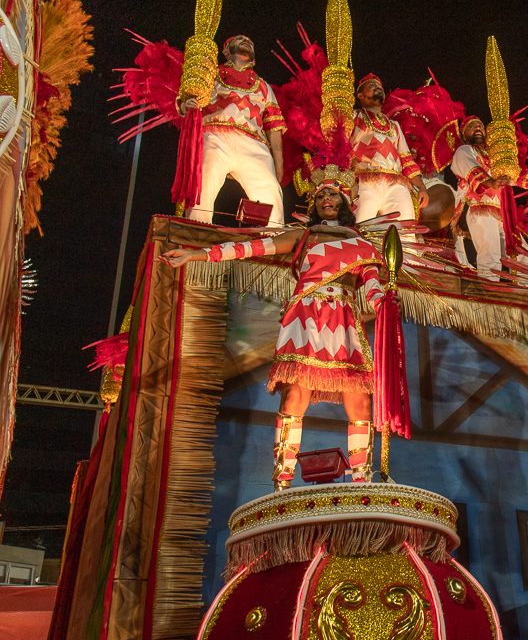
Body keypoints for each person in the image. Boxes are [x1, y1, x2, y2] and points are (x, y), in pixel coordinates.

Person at [161, 167, 385, 490]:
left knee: (361, 401)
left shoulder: (363, 244)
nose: (326, 199)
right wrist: (198, 254)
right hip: (306, 319)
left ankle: (362, 481)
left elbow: (374, 288)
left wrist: (385, 305)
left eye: (332, 194)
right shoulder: (303, 237)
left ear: (345, 200)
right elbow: (248, 247)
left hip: (345, 322)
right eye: (320, 195)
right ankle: (282, 482)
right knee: (295, 394)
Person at [180, 35, 287, 226]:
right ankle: (196, 232)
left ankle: (273, 240)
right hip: (215, 134)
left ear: (254, 57)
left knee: (270, 190)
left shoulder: (263, 86)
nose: (246, 41)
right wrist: (186, 104)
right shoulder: (210, 75)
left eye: (250, 41)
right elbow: (186, 101)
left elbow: (274, 127)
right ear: (226, 50)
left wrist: (279, 166)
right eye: (239, 39)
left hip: (254, 143)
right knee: (204, 179)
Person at [450, 116, 528, 280]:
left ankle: (526, 294)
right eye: (472, 127)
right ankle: (489, 293)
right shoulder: (464, 151)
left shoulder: (495, 157)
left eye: (480, 126)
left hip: (503, 215)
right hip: (480, 209)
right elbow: (472, 170)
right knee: (490, 256)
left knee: (522, 255)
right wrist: (492, 182)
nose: (478, 128)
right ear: (464, 135)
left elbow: (518, 176)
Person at [350, 74, 429, 223]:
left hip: (396, 185)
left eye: (380, 86)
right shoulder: (353, 117)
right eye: (372, 85)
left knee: (405, 232)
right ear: (360, 95)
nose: (378, 88)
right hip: (364, 184)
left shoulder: (394, 126)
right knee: (361, 228)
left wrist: (422, 188)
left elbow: (407, 160)